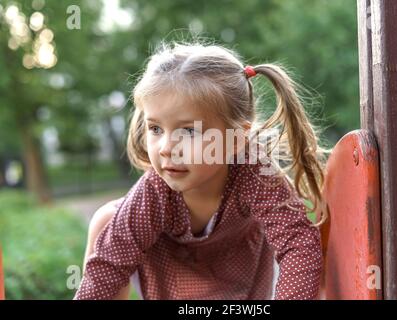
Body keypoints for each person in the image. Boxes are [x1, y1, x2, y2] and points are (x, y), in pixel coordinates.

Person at [74, 40, 329, 300]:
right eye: (155, 129)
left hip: (239, 289)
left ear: (235, 139)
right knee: (107, 221)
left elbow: (298, 243)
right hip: (170, 282)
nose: (166, 148)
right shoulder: (155, 191)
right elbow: (106, 269)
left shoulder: (252, 170)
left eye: (188, 130)